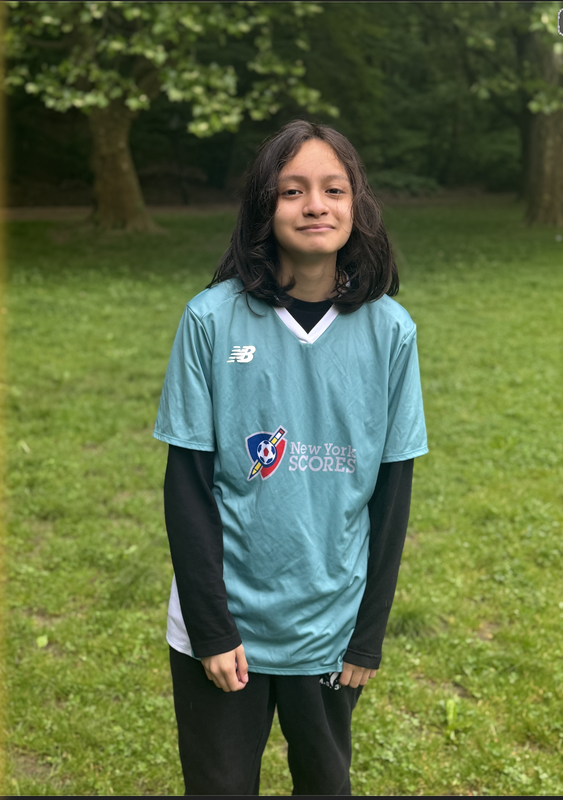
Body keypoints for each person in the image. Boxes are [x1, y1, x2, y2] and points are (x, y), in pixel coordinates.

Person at [153, 119, 428, 796]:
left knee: (325, 785)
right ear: (262, 208)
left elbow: (392, 496)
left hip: (329, 631)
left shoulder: (392, 331)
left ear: (357, 206)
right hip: (223, 630)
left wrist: (365, 637)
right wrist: (213, 631)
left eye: (333, 189)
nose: (314, 205)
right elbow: (186, 488)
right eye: (292, 190)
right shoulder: (210, 320)